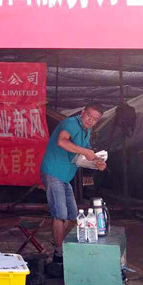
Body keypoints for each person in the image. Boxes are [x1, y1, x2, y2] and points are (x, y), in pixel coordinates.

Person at [40, 103, 107, 268]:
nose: (90, 120)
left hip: (65, 176)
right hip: (54, 171)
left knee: (72, 215)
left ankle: (62, 246)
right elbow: (62, 142)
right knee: (60, 215)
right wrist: (85, 152)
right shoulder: (71, 123)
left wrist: (97, 163)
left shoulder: (86, 131)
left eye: (95, 119)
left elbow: (83, 157)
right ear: (82, 112)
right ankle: (58, 255)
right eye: (89, 116)